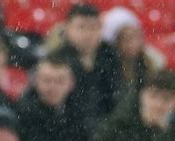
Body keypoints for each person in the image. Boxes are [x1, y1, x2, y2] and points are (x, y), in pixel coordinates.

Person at [16, 53, 94, 141]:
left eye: (60, 81)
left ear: (71, 83)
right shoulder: (21, 114)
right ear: (35, 81)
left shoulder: (79, 113)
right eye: (47, 80)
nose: (52, 87)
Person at [52, 3, 123, 132]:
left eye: (93, 28)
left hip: (107, 131)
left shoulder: (112, 58)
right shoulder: (56, 60)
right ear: (67, 29)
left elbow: (118, 100)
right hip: (66, 132)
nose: (88, 34)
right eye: (81, 27)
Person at [101, 6, 165, 92]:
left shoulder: (153, 63)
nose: (133, 43)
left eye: (136, 37)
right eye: (125, 39)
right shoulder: (106, 67)